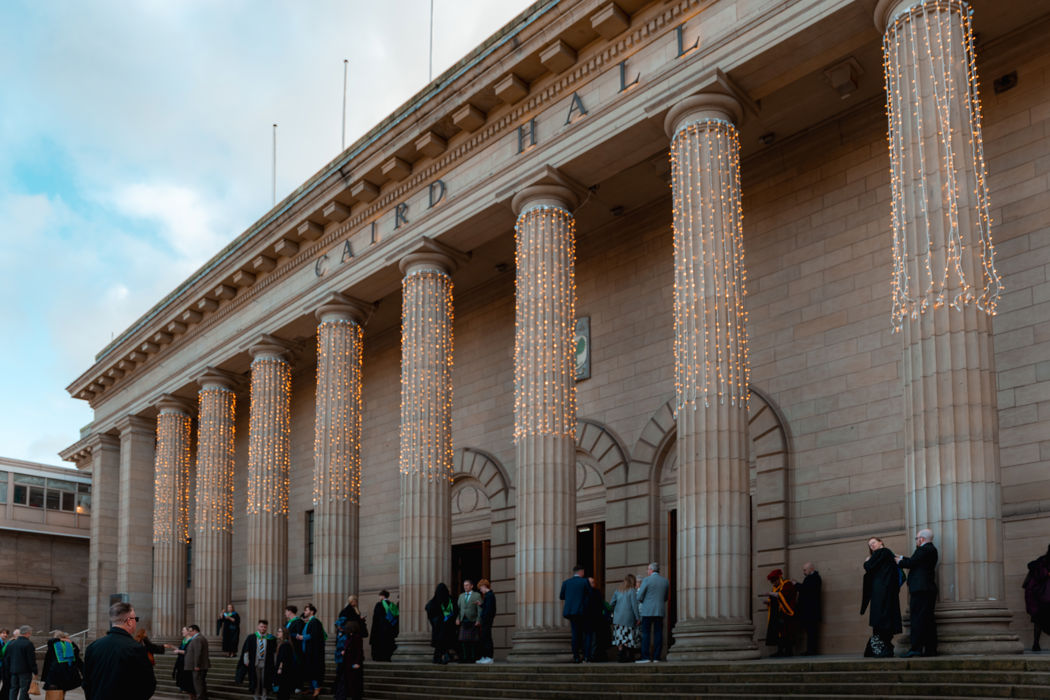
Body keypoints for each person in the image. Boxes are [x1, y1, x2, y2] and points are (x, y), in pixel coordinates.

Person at [83, 602, 156, 700]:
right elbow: (148, 685)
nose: (136, 622)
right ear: (129, 621)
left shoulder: (93, 647)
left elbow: (86, 683)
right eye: (136, 619)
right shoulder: (136, 648)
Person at [896, 528, 938, 657]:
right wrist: (902, 558)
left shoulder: (923, 549)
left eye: (917, 538)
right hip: (927, 589)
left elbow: (911, 563)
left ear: (922, 539)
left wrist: (898, 562)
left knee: (917, 620)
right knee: (927, 620)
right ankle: (930, 649)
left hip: (920, 589)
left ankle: (916, 649)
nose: (916, 541)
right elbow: (916, 561)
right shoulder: (930, 550)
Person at [860, 536, 902, 658]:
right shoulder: (886, 554)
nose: (871, 545)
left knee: (881, 620)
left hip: (882, 593)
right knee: (884, 620)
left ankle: (881, 648)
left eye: (873, 542)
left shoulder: (882, 552)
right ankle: (883, 648)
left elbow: (868, 567)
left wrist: (867, 561)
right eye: (869, 545)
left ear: (880, 542)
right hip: (884, 592)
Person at [636, 562, 669, 663]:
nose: (647, 571)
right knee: (658, 633)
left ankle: (645, 657)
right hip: (659, 610)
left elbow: (639, 596)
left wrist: (643, 601)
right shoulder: (665, 581)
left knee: (646, 634)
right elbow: (665, 597)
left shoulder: (646, 580)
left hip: (647, 611)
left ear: (651, 570)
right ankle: (656, 657)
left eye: (648, 569)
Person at [762, 569, 798, 657]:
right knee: (779, 632)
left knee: (787, 633)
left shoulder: (787, 584)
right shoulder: (776, 588)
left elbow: (782, 595)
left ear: (779, 578)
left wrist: (771, 594)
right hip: (778, 614)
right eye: (772, 582)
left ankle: (788, 651)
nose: (773, 583)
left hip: (787, 614)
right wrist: (769, 602)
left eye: (774, 581)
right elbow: (776, 599)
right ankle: (780, 650)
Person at [236, 619, 276, 700]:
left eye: (265, 627)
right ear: (258, 626)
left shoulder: (271, 638)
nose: (263, 628)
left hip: (266, 663)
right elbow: (246, 650)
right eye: (261, 626)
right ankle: (256, 695)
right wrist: (246, 660)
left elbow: (274, 652)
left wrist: (274, 663)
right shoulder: (251, 637)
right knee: (256, 680)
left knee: (265, 680)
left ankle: (264, 696)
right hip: (255, 663)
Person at [559, 565, 590, 663]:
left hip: (570, 612)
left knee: (575, 634)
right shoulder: (584, 581)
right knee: (585, 634)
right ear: (581, 572)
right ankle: (585, 656)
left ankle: (576, 656)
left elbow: (561, 596)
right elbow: (590, 594)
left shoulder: (566, 583)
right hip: (582, 611)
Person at [1022, 544, 1050, 651]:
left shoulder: (1042, 560)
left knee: (1038, 621)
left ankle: (1036, 643)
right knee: (1039, 621)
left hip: (1040, 599)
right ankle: (1035, 643)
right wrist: (1047, 573)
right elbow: (1031, 565)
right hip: (1043, 598)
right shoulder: (1043, 561)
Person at [41, 630, 83, 698]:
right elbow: (77, 655)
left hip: (56, 671)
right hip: (68, 670)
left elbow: (50, 642)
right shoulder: (70, 644)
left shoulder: (54, 643)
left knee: (54, 690)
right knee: (63, 689)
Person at [610, 573, 641, 663]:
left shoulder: (618, 590)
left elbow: (612, 603)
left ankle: (620, 656)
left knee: (620, 637)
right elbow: (634, 606)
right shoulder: (632, 591)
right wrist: (638, 617)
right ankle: (628, 656)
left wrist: (616, 610)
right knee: (627, 637)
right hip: (628, 618)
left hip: (618, 618)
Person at [425, 583, 457, 665]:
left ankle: (438, 658)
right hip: (447, 626)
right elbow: (455, 611)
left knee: (440, 644)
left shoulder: (434, 601)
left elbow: (428, 610)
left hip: (439, 627)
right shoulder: (450, 599)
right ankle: (442, 657)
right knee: (443, 643)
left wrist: (434, 622)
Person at [297, 604, 325, 696]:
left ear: (312, 612)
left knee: (314, 670)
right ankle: (311, 688)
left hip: (313, 652)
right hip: (307, 651)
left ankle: (317, 688)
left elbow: (314, 635)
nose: (304, 612)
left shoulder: (315, 622)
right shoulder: (309, 622)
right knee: (309, 670)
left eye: (306, 610)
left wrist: (302, 637)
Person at [797, 562, 822, 656]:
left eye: (805, 570)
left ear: (811, 569)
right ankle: (810, 650)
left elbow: (806, 589)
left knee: (812, 632)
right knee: (810, 632)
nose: (804, 572)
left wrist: (796, 585)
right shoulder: (812, 578)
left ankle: (811, 651)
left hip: (811, 611)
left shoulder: (814, 578)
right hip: (810, 611)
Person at [5, 625, 36, 700]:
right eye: (30, 633)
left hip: (13, 670)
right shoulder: (28, 644)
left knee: (13, 688)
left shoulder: (11, 643)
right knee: (24, 689)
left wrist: (9, 669)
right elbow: (31, 659)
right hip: (25, 671)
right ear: (27, 633)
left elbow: (7, 658)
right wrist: (35, 671)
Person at [456, 580, 482, 663]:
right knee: (463, 640)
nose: (465, 587)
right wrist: (457, 618)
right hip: (463, 620)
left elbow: (479, 609)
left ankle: (472, 657)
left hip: (472, 620)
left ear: (471, 586)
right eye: (464, 585)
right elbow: (458, 609)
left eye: (467, 585)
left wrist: (478, 620)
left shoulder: (477, 595)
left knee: (472, 640)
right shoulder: (461, 596)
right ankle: (464, 657)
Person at [340, 617, 365, 700]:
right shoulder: (349, 637)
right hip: (348, 663)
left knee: (355, 684)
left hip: (353, 664)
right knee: (350, 683)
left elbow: (359, 651)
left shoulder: (357, 637)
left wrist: (357, 663)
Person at [369, 590, 399, 662]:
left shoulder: (379, 605)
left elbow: (376, 619)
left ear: (382, 596)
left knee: (381, 644)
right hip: (390, 629)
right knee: (388, 644)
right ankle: (388, 657)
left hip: (380, 629)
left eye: (380, 596)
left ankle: (380, 657)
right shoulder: (392, 604)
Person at [184, 623, 210, 700]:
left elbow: (197, 653)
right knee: (201, 683)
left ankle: (200, 698)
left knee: (198, 684)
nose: (189, 633)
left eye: (190, 631)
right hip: (200, 665)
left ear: (195, 630)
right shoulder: (199, 638)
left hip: (198, 666)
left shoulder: (198, 639)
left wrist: (196, 665)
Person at [166, 626, 195, 696]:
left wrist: (178, 651)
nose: (182, 632)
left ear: (188, 632)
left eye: (183, 630)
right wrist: (172, 647)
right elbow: (180, 649)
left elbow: (188, 652)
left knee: (186, 679)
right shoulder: (184, 640)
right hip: (181, 662)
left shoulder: (191, 640)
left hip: (187, 662)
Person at [281, 606, 304, 690]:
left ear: (290, 611)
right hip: (287, 647)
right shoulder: (287, 623)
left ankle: (298, 686)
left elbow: (298, 634)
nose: (285, 613)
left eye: (286, 611)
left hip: (295, 648)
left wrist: (289, 634)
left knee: (296, 666)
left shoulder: (298, 622)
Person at [476, 579, 497, 664]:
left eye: (480, 588)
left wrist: (483, 618)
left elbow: (489, 610)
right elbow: (487, 607)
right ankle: (485, 656)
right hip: (486, 620)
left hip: (487, 620)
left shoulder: (489, 595)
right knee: (485, 638)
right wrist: (480, 604)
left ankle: (489, 657)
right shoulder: (488, 595)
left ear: (484, 586)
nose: (480, 590)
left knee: (487, 638)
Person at [274, 627, 296, 700]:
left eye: (280, 631)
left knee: (283, 692)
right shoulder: (283, 643)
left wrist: (280, 668)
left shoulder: (285, 644)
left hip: (284, 671)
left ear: (284, 634)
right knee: (283, 692)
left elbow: (284, 658)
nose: (278, 633)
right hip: (284, 671)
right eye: (278, 631)